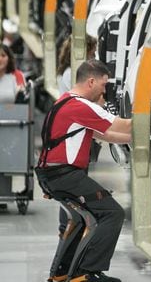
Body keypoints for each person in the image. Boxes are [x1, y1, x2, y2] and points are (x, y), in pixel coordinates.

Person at [35, 60, 131, 282]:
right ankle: (85, 274)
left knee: (80, 217)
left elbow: (106, 134)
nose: (104, 90)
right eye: (103, 84)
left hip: (50, 175)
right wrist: (150, 122)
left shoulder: (65, 102)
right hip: (65, 175)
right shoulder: (80, 105)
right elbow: (122, 125)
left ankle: (60, 273)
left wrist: (140, 138)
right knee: (112, 213)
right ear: (91, 81)